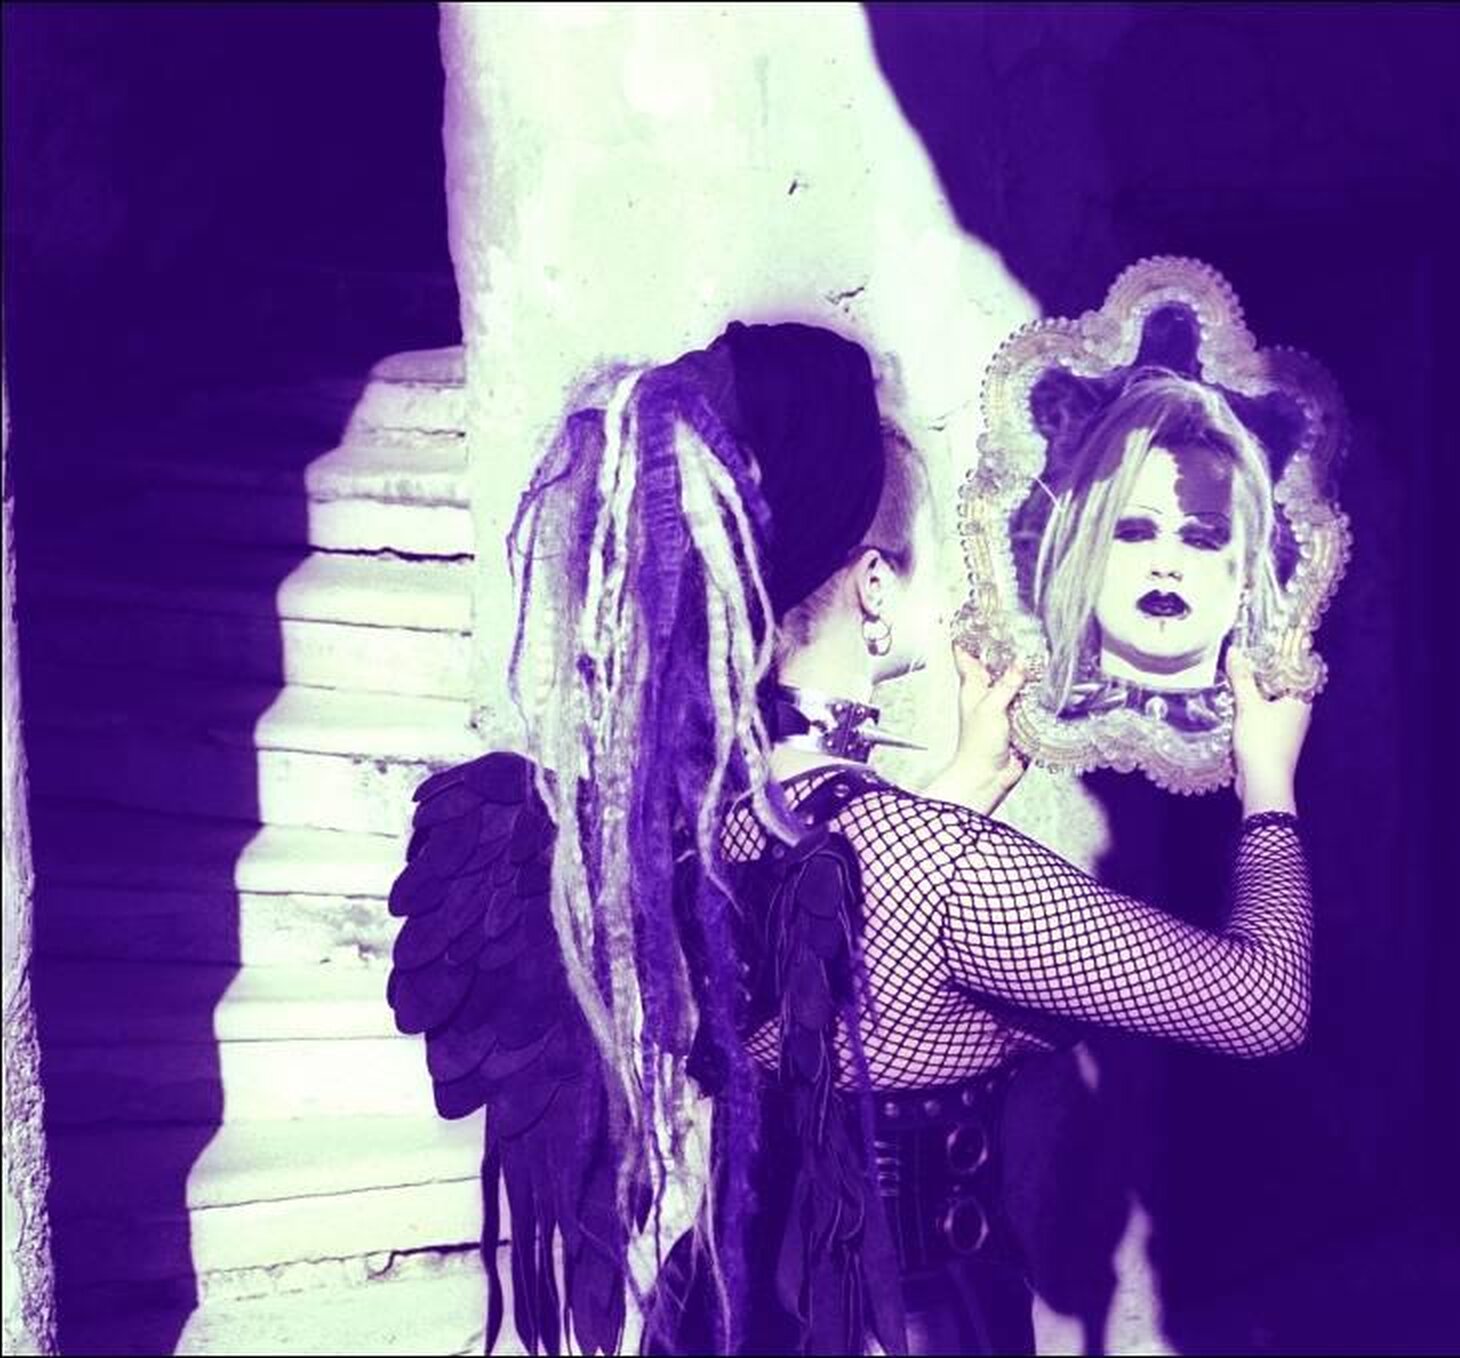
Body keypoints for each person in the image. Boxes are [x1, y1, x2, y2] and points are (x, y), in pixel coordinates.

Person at [385, 321, 1316, 1357]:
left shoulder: (662, 822)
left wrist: (963, 785)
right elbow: (1263, 1003)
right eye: (924, 560)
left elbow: (835, 942)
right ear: (874, 585)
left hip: (721, 1319)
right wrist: (1268, 781)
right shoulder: (933, 866)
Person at [1031, 368, 1284, 731]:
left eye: (1200, 539)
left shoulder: (1297, 747)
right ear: (1089, 549)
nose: (1165, 565)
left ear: (1249, 575)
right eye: (1134, 533)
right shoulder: (1021, 736)